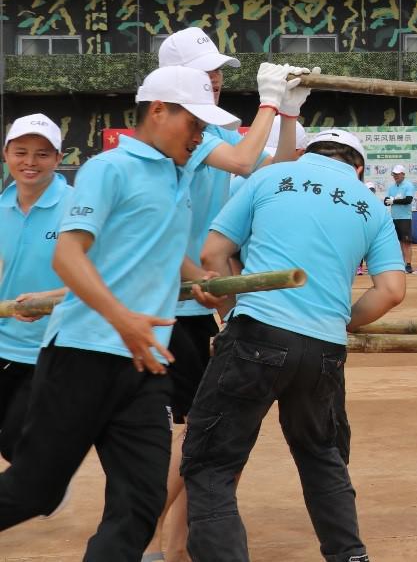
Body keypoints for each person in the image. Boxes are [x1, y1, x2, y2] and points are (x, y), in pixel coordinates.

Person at [0, 66, 239, 558]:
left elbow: (161, 246)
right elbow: (68, 256)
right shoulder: (109, 169)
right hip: (82, 355)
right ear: (159, 111)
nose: (200, 136)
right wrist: (122, 318)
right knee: (33, 490)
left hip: (147, 363)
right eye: (194, 123)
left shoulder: (177, 175)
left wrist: (199, 281)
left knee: (140, 502)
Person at [183, 128, 407, 561]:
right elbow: (392, 290)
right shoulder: (370, 206)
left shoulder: (270, 177)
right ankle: (350, 556)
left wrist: (232, 310)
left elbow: (213, 254)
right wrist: (339, 319)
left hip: (256, 333)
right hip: (324, 350)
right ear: (358, 168)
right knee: (322, 455)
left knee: (211, 463)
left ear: (307, 153)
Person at [149, 27, 310, 562]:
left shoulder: (212, 129)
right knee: (190, 433)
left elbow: (274, 170)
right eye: (205, 72)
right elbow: (243, 162)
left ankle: (173, 547)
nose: (216, 80)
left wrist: (287, 114)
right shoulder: (185, 132)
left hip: (199, 298)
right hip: (169, 303)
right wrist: (268, 103)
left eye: (218, 71)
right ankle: (142, 536)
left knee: (199, 430)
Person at [0, 115, 74, 467]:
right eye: (21, 152)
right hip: (4, 343)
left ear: (58, 158)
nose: (30, 162)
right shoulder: (1, 208)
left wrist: (51, 299)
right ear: (6, 154)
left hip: (56, 348)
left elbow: (102, 278)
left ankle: (51, 484)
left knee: (18, 444)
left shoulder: (77, 207)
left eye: (42, 154)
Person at [385, 164, 415, 273]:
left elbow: (408, 200)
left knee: (406, 242)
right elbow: (386, 201)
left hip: (405, 218)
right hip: (394, 218)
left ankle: (408, 264)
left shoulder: (408, 185)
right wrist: (389, 201)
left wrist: (394, 201)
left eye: (397, 174)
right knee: (397, 243)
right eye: (394, 174)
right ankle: (400, 264)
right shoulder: (391, 187)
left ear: (403, 174)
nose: (395, 176)